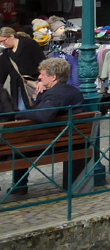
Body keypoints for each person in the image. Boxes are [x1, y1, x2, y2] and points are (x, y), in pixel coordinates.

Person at [9, 58, 85, 197]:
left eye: (42, 74)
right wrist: (42, 94)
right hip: (72, 139)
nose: (39, 77)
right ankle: (19, 186)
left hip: (53, 144)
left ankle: (19, 185)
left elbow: (44, 115)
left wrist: (19, 114)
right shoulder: (75, 92)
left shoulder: (55, 94)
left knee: (17, 147)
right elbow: (42, 109)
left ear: (53, 77)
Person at [0, 26, 46, 110]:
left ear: (11, 36)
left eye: (3, 41)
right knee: (20, 113)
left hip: (34, 85)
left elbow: (43, 64)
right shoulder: (6, 54)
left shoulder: (30, 44)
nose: (2, 44)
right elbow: (1, 75)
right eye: (0, 42)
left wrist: (42, 81)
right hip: (17, 89)